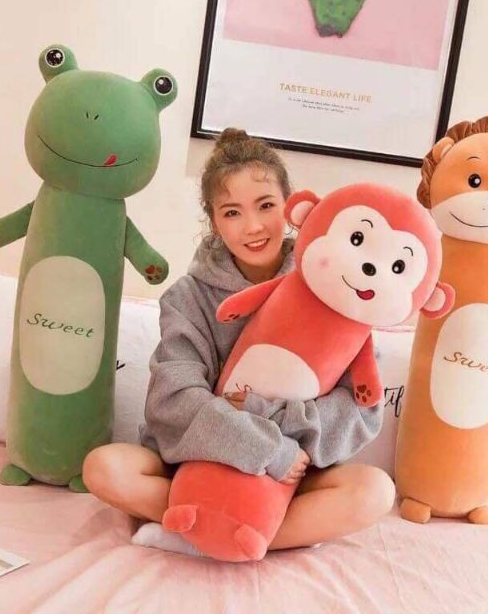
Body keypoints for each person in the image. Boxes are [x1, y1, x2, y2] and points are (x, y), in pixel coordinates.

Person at [83, 128, 395, 554]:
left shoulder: (335, 283)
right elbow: (173, 399)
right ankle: (237, 531)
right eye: (232, 213)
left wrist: (280, 440)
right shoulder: (189, 297)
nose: (253, 227)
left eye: (266, 206)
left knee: (375, 491)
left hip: (293, 470)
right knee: (104, 468)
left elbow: (360, 405)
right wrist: (263, 446)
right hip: (198, 460)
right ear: (214, 221)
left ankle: (206, 533)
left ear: (289, 206)